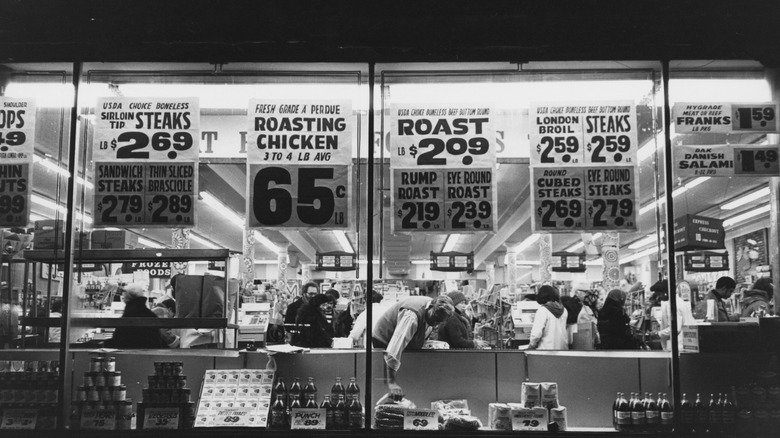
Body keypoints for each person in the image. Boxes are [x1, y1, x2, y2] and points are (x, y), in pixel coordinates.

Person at [371, 295, 454, 398]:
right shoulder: (412, 315)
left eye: (439, 322)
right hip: (384, 340)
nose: (435, 324)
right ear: (431, 306)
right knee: (390, 383)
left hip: (397, 345)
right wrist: (391, 383)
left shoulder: (433, 308)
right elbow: (395, 348)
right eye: (435, 318)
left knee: (402, 378)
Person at [105, 284, 168, 349]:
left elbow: (120, 339)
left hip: (130, 354)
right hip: (150, 353)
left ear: (127, 298)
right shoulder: (150, 314)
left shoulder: (129, 314)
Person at [655, 280, 695, 351]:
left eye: (658, 294)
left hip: (679, 346)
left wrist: (658, 334)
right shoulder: (676, 302)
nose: (657, 297)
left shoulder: (674, 304)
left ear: (665, 293)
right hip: (682, 345)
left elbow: (675, 328)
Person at [528, 285, 568, 350]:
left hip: (546, 350)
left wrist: (531, 345)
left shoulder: (543, 310)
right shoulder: (564, 310)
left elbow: (536, 334)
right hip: (562, 349)